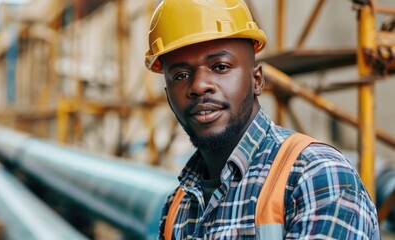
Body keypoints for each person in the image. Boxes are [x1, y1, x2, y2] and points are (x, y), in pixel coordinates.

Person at [144, 0, 380, 239]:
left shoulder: (315, 176)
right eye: (181, 75)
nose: (199, 86)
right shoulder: (177, 206)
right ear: (167, 95)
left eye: (220, 66)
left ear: (257, 80)